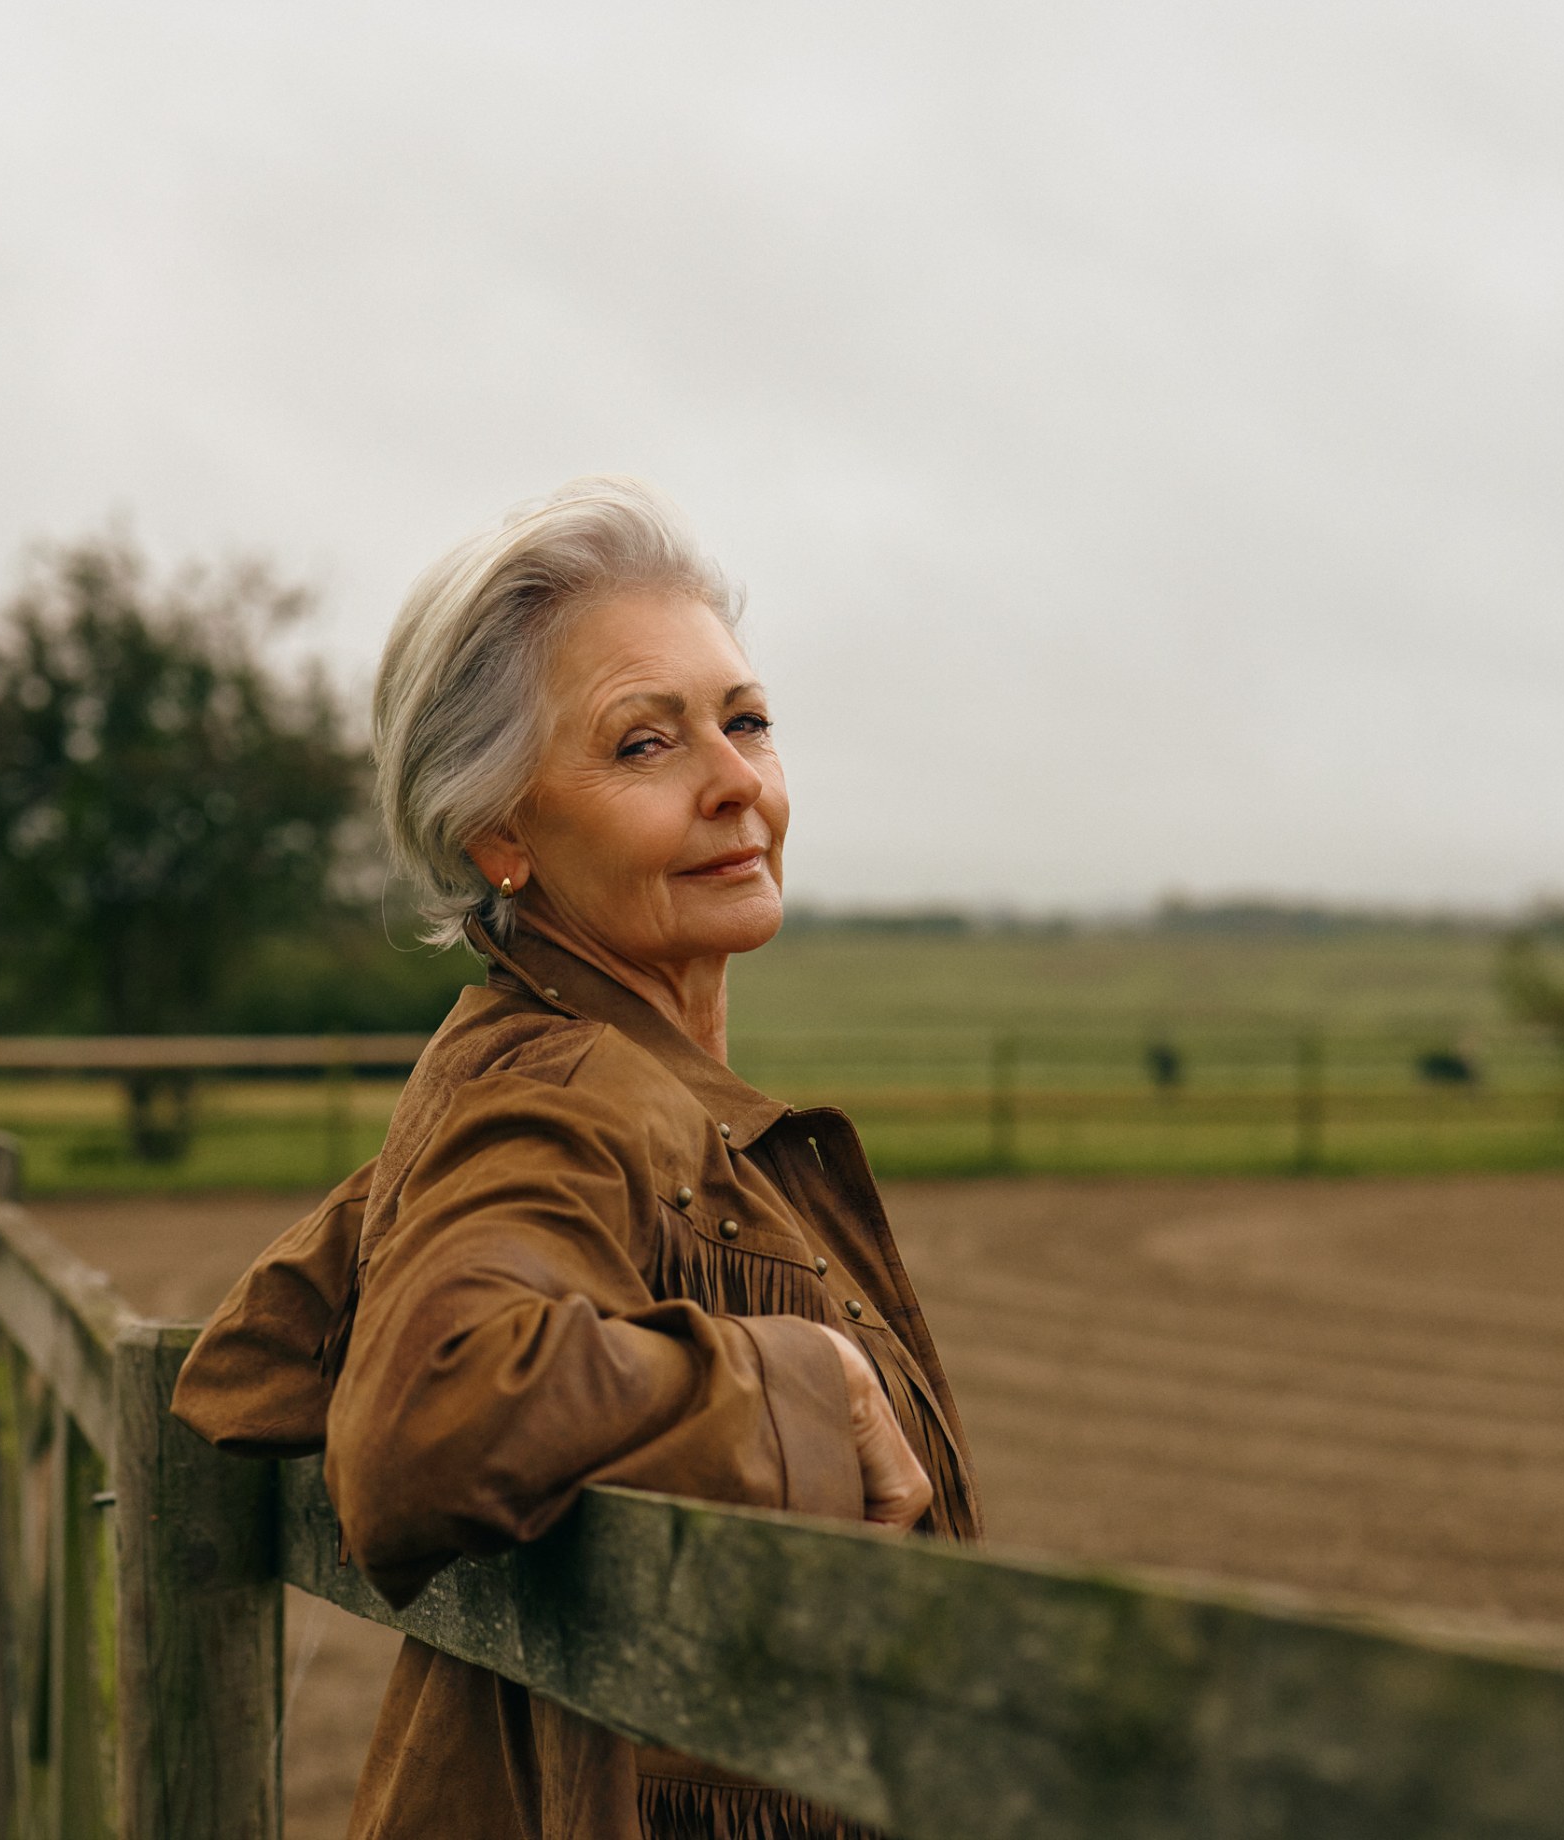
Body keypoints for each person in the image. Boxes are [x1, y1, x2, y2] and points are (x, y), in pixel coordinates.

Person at [173, 477, 979, 1839]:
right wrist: (799, 1384)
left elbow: (263, 1362)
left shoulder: (587, 1073)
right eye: (643, 746)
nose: (736, 782)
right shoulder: (559, 1090)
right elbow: (429, 1410)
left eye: (748, 721)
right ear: (501, 834)